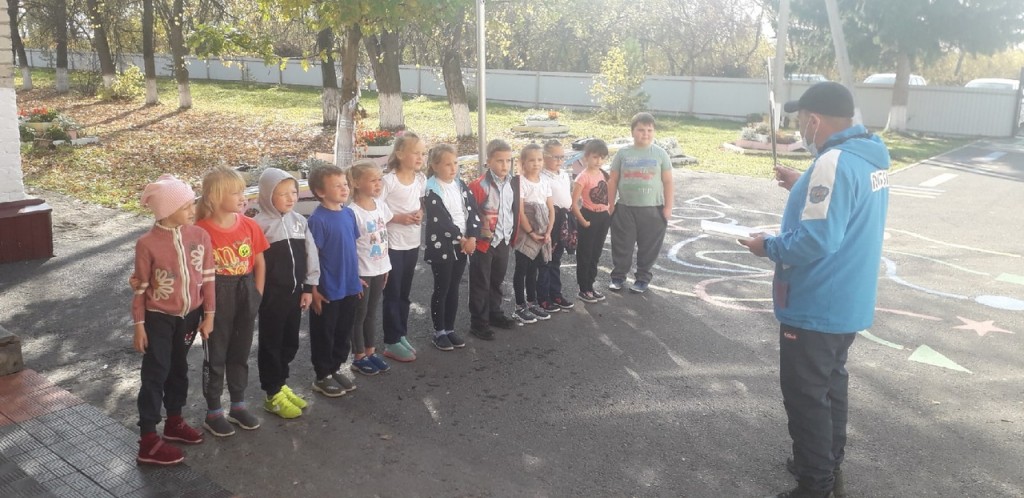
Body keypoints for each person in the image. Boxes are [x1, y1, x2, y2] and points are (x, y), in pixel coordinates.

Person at [740, 81, 890, 498]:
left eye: (802, 120)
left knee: (806, 395)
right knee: (830, 386)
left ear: (815, 120)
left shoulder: (832, 162)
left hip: (817, 302)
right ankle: (825, 460)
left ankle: (815, 483)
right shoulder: (868, 156)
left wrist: (767, 246)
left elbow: (816, 240)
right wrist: (802, 182)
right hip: (847, 300)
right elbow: (844, 203)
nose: (801, 128)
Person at [132, 174, 215, 465]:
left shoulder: (200, 236)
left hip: (190, 317)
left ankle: (174, 421)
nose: (193, 210)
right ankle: (148, 439)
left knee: (179, 369)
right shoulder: (147, 244)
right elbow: (141, 287)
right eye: (186, 205)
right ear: (167, 211)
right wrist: (139, 325)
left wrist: (209, 315)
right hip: (158, 319)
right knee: (155, 373)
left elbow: (208, 278)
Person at [253, 168, 319, 419]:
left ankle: (281, 383)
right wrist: (256, 294)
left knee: (290, 342)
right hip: (271, 297)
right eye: (283, 194)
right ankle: (272, 393)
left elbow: (310, 255)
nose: (291, 198)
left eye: (293, 192)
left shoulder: (299, 221)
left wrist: (308, 287)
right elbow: (253, 263)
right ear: (267, 196)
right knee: (271, 343)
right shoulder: (259, 225)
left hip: (295, 294)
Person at [306, 164, 361, 397]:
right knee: (324, 333)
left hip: (349, 286)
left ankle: (336, 367)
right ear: (320, 192)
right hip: (327, 289)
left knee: (343, 330)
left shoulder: (348, 214)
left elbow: (351, 248)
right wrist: (313, 290)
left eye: (345, 184)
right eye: (337, 185)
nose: (344, 188)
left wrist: (356, 279)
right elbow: (312, 257)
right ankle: (322, 375)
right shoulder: (317, 220)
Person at [606, 112, 674, 294]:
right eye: (641, 130)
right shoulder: (623, 153)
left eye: (649, 130)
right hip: (625, 208)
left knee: (649, 247)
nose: (645, 134)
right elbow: (613, 180)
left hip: (653, 210)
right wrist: (610, 204)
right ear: (632, 132)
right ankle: (618, 277)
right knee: (622, 245)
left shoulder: (660, 154)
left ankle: (642, 278)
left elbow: (668, 181)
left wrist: (668, 207)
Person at [423, 144, 481, 351]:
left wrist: (472, 236)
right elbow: (440, 219)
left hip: (463, 244)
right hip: (443, 246)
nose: (453, 168)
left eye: (455, 163)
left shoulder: (460, 184)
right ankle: (439, 331)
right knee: (442, 287)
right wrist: (461, 238)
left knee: (454, 287)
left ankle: (449, 328)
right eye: (447, 164)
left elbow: (472, 210)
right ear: (434, 166)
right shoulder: (431, 188)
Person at [380, 132, 427, 362]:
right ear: (399, 154)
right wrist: (397, 218)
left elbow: (420, 204)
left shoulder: (420, 180)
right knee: (392, 292)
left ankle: (401, 334)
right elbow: (375, 207)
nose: (420, 157)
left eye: (423, 153)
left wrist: (420, 213)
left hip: (412, 242)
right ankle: (391, 340)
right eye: (415, 153)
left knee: (404, 293)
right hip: (392, 244)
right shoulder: (389, 181)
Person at [467, 139, 520, 340]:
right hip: (484, 243)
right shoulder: (478, 185)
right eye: (499, 161)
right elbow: (470, 214)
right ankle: (479, 322)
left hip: (503, 240)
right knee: (480, 282)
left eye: (508, 160)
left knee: (497, 280)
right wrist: (475, 235)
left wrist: (512, 235)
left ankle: (494, 313)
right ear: (488, 161)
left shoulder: (513, 183)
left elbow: (513, 210)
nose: (505, 165)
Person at [347, 161, 394, 375]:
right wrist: (353, 276)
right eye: (373, 180)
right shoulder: (352, 212)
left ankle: (370, 351)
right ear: (356, 183)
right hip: (362, 272)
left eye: (379, 179)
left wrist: (385, 267)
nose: (378, 184)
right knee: (359, 314)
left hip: (380, 268)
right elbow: (348, 247)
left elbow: (382, 236)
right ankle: (358, 357)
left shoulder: (380, 205)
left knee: (372, 312)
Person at [511, 144, 554, 324]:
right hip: (526, 233)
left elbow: (551, 209)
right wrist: (530, 232)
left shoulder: (545, 182)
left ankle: (532, 302)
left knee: (533, 270)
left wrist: (548, 232)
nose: (536, 163)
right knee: (522, 269)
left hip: (542, 232)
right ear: (523, 162)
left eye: (539, 159)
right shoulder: (521, 182)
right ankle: (519, 306)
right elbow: (520, 211)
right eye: (531, 160)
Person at [571, 139, 611, 304]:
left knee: (595, 253)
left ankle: (590, 286)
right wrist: (583, 221)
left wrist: (608, 211)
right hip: (588, 217)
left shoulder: (603, 173)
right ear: (586, 157)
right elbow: (573, 203)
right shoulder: (583, 177)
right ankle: (583, 289)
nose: (598, 161)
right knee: (585, 254)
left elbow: (607, 194)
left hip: (603, 217)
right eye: (595, 157)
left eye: (602, 157)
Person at [536, 140, 575, 313]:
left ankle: (555, 293)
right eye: (555, 157)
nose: (560, 160)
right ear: (544, 157)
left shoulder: (564, 175)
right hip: (550, 220)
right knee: (545, 260)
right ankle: (543, 297)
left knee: (556, 258)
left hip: (563, 220)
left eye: (562, 157)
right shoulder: (542, 177)